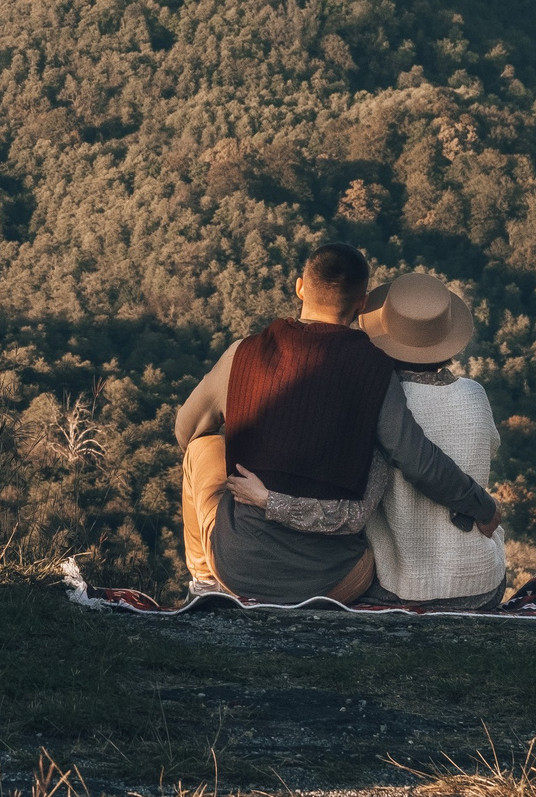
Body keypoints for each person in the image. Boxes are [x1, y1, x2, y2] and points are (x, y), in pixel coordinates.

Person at [173, 244, 499, 605]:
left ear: (299, 287)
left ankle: (204, 582)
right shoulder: (375, 371)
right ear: (361, 306)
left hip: (237, 568)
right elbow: (417, 460)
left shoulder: (242, 354)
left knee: (204, 447)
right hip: (336, 581)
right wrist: (482, 506)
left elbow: (185, 431)